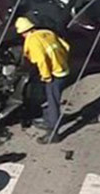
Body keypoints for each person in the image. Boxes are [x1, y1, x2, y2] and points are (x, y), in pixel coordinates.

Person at [15, 16, 70, 144]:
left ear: (23, 32)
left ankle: (53, 133)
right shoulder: (46, 32)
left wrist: (46, 77)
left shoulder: (33, 41)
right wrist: (61, 62)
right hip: (63, 70)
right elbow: (66, 46)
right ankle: (49, 120)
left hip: (55, 74)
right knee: (51, 99)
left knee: (53, 101)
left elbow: (41, 61)